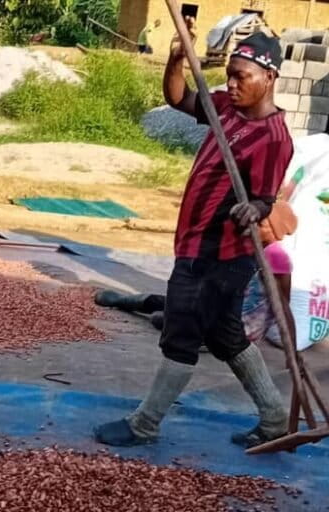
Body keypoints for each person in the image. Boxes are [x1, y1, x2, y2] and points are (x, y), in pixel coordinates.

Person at [94, 27, 294, 450]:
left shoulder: (274, 139)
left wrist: (253, 209)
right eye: (230, 75)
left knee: (181, 332)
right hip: (196, 242)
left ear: (269, 77)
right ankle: (276, 418)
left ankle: (145, 424)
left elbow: (265, 199)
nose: (232, 84)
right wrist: (175, 60)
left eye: (242, 76)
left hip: (218, 254)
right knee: (226, 336)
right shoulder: (226, 109)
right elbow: (179, 98)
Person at [95, 201, 298, 349]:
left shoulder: (276, 257)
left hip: (242, 326)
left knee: (170, 321)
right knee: (173, 302)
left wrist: (290, 344)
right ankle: (122, 301)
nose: (252, 227)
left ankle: (184, 326)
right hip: (223, 311)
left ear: (275, 232)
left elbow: (284, 305)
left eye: (260, 225)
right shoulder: (249, 249)